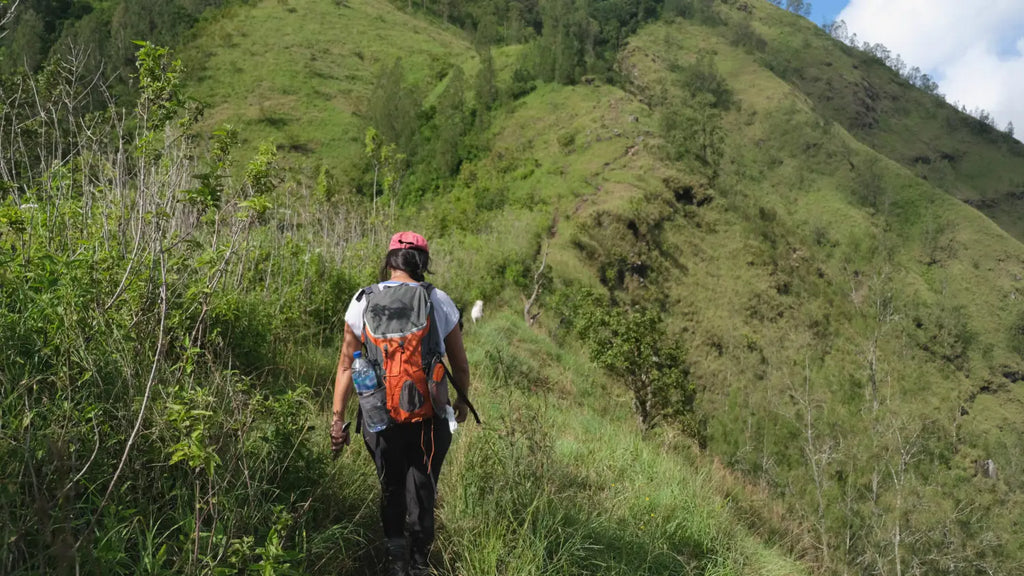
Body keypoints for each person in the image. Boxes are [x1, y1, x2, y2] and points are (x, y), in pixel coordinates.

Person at [330, 231, 472, 576]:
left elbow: (346, 364)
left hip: (379, 416)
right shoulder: (437, 299)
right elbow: (460, 364)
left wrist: (337, 419)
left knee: (391, 485)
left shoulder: (363, 299)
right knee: (422, 488)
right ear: (422, 263)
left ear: (389, 261)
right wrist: (461, 404)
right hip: (429, 415)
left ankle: (395, 560)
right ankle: (419, 565)